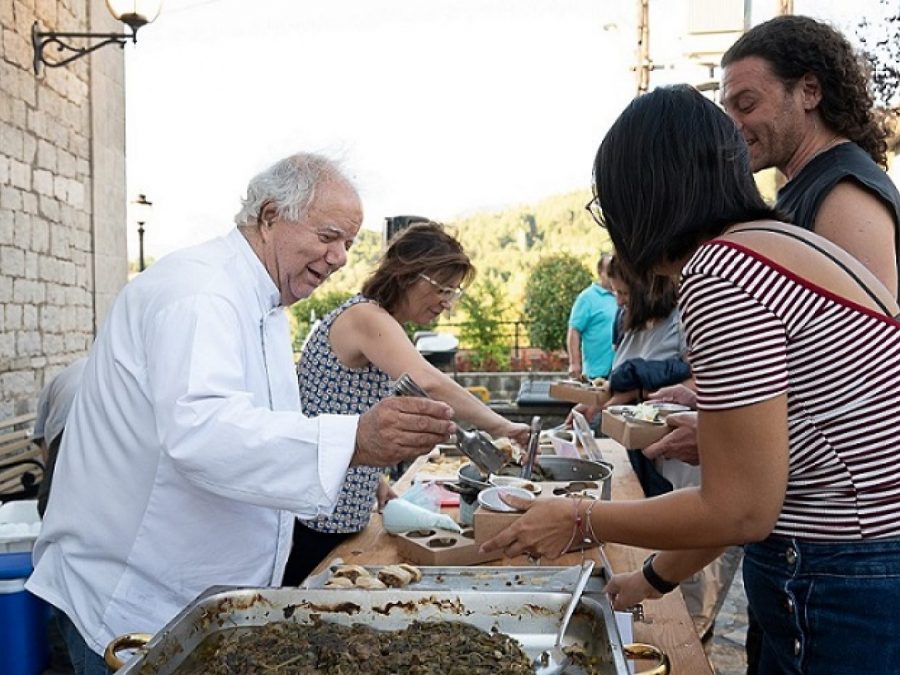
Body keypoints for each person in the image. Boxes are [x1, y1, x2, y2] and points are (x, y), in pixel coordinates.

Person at [482, 85, 900, 674]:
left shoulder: (721, 272)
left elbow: (739, 511)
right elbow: (754, 490)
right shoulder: (776, 242)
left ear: (642, 198)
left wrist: (578, 517)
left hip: (844, 577)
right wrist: (650, 579)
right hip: (856, 568)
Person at [26, 152, 455, 674]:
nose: (341, 257)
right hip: (134, 602)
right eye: (329, 236)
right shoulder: (201, 294)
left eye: (348, 243)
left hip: (194, 600)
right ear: (270, 215)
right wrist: (355, 441)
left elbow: (257, 426)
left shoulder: (261, 303)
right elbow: (203, 434)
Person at [283, 221, 529, 584]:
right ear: (408, 274)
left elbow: (348, 407)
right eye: (442, 288)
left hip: (338, 510)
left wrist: (374, 479)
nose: (447, 302)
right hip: (318, 513)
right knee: (305, 600)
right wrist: (502, 425)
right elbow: (428, 381)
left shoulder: (379, 321)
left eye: (453, 292)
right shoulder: (366, 317)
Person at [721, 14, 900, 298]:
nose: (732, 126)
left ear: (809, 92)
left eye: (746, 104)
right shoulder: (814, 185)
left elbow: (868, 320)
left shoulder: (844, 192)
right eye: (726, 111)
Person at [32, 357, 87, 517]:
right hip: (99, 412)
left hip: (66, 420)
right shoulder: (93, 365)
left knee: (49, 501)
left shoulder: (53, 384)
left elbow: (42, 441)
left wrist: (51, 474)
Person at [566, 253, 618, 381]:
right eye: (609, 271)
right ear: (600, 273)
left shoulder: (623, 295)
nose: (613, 275)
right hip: (596, 372)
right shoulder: (587, 298)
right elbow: (574, 330)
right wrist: (574, 363)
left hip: (620, 370)